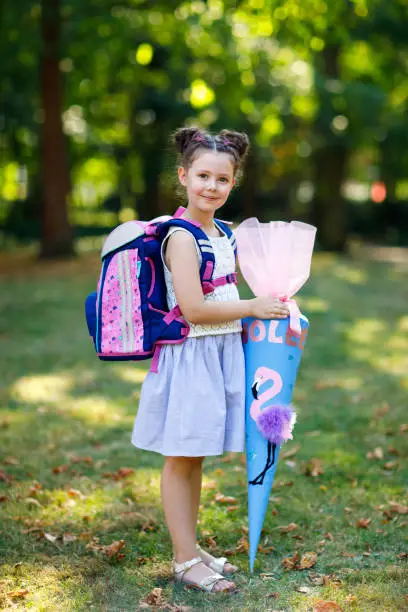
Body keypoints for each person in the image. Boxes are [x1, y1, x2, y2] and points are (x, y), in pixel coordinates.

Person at [131, 127, 289, 593]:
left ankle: (190, 546)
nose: (211, 187)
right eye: (202, 176)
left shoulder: (222, 233)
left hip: (217, 354)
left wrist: (273, 308)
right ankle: (184, 561)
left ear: (233, 182)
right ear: (183, 176)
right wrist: (251, 307)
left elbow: (224, 291)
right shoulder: (180, 237)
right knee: (181, 457)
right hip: (189, 357)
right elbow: (195, 309)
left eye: (222, 179)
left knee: (194, 454)